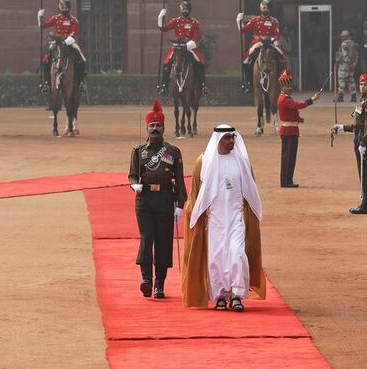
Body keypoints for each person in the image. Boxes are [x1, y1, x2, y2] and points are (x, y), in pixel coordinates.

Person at [182, 124, 265, 311]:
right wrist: (191, 213)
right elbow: (196, 193)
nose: (231, 142)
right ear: (218, 140)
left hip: (236, 216)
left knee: (236, 253)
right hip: (214, 219)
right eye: (227, 138)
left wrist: (251, 215)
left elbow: (250, 191)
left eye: (233, 138)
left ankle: (236, 294)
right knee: (216, 257)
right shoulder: (203, 162)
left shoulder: (242, 161)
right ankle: (220, 295)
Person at [127, 100, 188, 299]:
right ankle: (146, 279)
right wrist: (134, 184)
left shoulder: (173, 151)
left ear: (163, 128)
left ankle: (159, 284)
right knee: (147, 237)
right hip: (144, 200)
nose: (155, 129)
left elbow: (179, 179)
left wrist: (180, 205)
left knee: (163, 241)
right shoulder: (138, 151)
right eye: (152, 126)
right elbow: (132, 175)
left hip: (164, 199)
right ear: (147, 128)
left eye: (158, 126)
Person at [332, 67, 367, 214]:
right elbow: (358, 125)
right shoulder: (362, 101)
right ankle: (365, 201)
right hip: (359, 137)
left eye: (365, 84)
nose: (362, 87)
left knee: (366, 172)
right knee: (363, 172)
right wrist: (342, 127)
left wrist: (364, 142)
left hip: (365, 139)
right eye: (360, 84)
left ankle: (366, 204)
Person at [276, 69, 320, 188]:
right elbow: (298, 106)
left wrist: (298, 119)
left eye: (291, 86)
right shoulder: (284, 99)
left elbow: (293, 111)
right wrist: (312, 100)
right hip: (289, 132)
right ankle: (285, 181)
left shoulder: (286, 98)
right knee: (288, 158)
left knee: (291, 157)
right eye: (288, 86)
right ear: (283, 87)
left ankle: (288, 180)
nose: (291, 88)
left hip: (292, 130)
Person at [157, 0, 206, 94]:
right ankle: (164, 85)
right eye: (183, 9)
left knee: (199, 63)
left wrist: (189, 44)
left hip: (189, 47)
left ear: (190, 10)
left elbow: (196, 37)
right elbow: (163, 29)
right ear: (180, 9)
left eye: (187, 9)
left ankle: (202, 85)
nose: (185, 11)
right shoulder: (176, 21)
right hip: (177, 47)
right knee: (167, 63)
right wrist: (160, 17)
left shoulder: (194, 23)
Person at [38, 0, 86, 93]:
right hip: (56, 41)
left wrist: (66, 41)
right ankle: (47, 83)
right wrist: (40, 16)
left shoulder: (74, 20)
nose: (64, 8)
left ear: (69, 7)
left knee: (82, 59)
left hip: (69, 41)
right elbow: (43, 26)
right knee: (46, 59)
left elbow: (73, 34)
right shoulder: (56, 18)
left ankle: (81, 83)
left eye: (65, 7)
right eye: (62, 6)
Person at [236, 0, 285, 90]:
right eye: (263, 7)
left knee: (282, 58)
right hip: (258, 43)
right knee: (246, 61)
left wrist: (271, 40)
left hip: (270, 42)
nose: (265, 9)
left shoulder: (274, 21)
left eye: (266, 8)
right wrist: (239, 21)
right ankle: (249, 83)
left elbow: (276, 34)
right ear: (260, 8)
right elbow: (243, 30)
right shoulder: (255, 20)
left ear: (269, 9)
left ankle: (280, 81)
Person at [335, 30, 359, 102]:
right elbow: (357, 55)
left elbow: (344, 54)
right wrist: (353, 63)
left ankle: (340, 96)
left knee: (341, 80)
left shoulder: (344, 44)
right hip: (351, 65)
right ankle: (353, 96)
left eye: (342, 36)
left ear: (345, 36)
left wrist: (338, 60)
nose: (341, 37)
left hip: (344, 65)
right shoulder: (353, 43)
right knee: (351, 80)